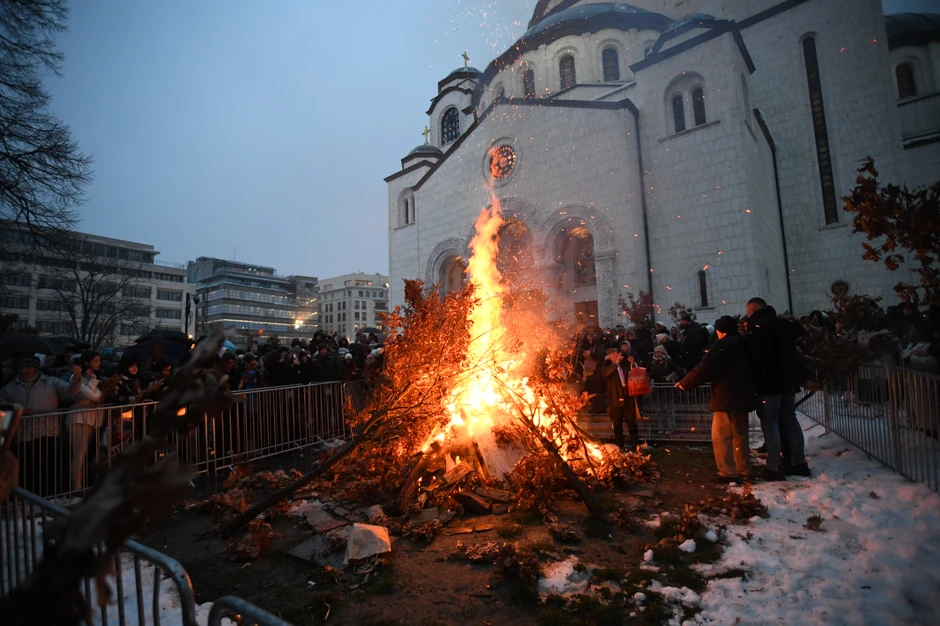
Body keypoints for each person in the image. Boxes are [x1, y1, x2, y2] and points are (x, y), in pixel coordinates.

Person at [676, 316, 758, 483]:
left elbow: (706, 367)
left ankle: (728, 472)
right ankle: (744, 470)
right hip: (742, 397)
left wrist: (685, 383)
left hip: (726, 397)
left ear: (720, 331)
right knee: (740, 436)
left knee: (722, 436)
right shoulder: (744, 343)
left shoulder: (723, 345)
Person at [746, 297, 812, 480]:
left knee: (770, 424)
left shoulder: (757, 327)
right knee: (790, 421)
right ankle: (798, 462)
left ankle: (773, 467)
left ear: (753, 308)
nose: (747, 315)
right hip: (787, 383)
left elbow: (755, 356)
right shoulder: (782, 325)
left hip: (768, 384)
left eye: (748, 311)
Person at [0, 357, 82, 495]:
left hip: (47, 433)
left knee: (47, 467)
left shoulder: (51, 382)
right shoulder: (9, 387)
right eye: (22, 367)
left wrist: (76, 377)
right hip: (22, 435)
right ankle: (28, 498)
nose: (24, 371)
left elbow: (69, 392)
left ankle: (48, 496)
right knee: (27, 469)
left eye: (28, 367)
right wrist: (16, 412)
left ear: (36, 368)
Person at [67, 351, 107, 491]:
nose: (99, 363)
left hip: (93, 419)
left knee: (88, 453)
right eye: (96, 360)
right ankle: (76, 486)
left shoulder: (96, 377)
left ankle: (88, 482)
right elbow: (92, 396)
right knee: (79, 453)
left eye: (99, 360)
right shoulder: (77, 378)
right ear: (86, 362)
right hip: (78, 419)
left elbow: (100, 396)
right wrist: (93, 381)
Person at [602, 347, 639, 450]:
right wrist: (615, 363)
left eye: (617, 354)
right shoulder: (606, 366)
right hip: (615, 398)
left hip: (627, 396)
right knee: (617, 422)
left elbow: (633, 374)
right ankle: (619, 446)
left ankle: (635, 445)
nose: (618, 356)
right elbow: (606, 373)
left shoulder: (624, 366)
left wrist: (632, 364)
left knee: (631, 421)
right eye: (614, 354)